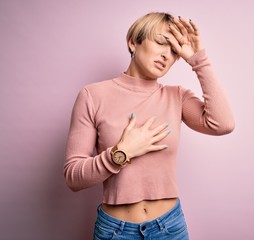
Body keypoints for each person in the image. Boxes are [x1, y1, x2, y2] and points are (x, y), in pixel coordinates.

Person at [64, 12, 235, 240]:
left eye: (174, 51)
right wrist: (121, 154)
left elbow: (223, 124)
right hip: (116, 231)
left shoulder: (177, 97)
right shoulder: (92, 96)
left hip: (170, 228)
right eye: (161, 43)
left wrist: (198, 60)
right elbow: (73, 178)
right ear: (133, 42)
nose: (167, 55)